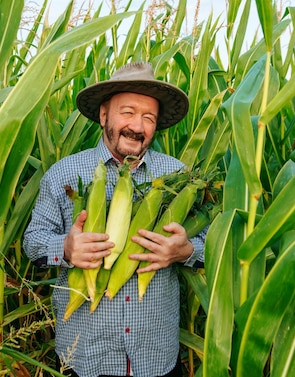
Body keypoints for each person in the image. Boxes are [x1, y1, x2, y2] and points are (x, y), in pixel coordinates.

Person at [23, 62, 205, 377]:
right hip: (84, 356)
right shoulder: (65, 174)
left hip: (156, 356)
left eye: (149, 117)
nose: (138, 126)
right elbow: (32, 241)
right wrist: (65, 249)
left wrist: (186, 251)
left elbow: (212, 242)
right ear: (104, 114)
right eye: (128, 112)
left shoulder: (178, 177)